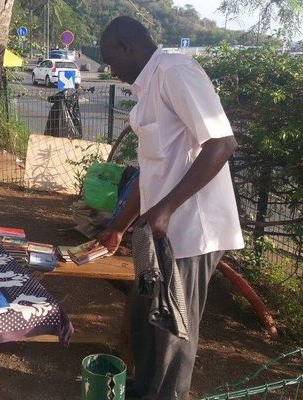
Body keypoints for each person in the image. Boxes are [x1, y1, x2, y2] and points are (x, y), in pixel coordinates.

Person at [97, 16, 244, 400]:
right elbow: (152, 173)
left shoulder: (176, 72)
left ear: (127, 47)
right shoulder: (149, 89)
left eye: (111, 61)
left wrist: (165, 209)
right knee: (146, 324)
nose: (111, 71)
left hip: (192, 232)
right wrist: (119, 226)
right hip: (159, 234)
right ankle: (143, 391)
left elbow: (221, 145)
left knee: (171, 334)